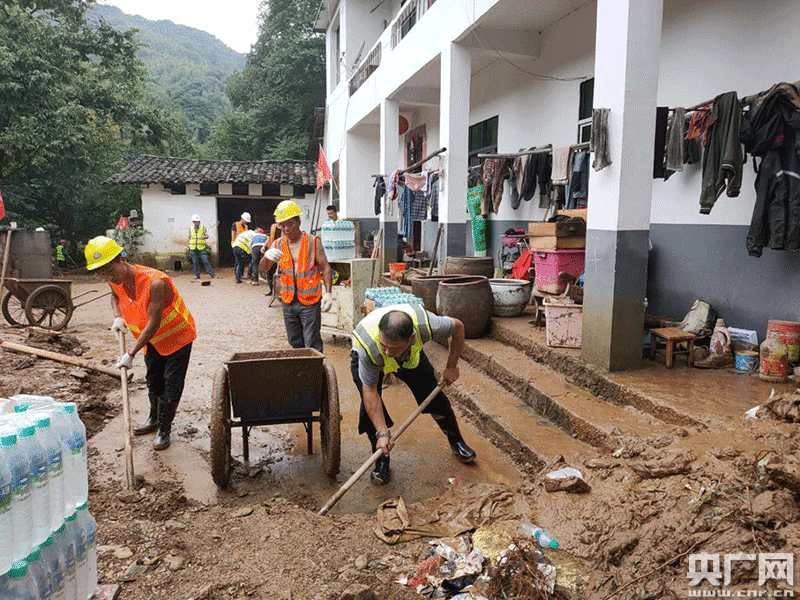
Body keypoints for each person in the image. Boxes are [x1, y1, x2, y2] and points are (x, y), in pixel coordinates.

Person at [84, 236, 196, 450]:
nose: (108, 277)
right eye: (102, 273)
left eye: (110, 270)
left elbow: (154, 323)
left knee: (171, 384)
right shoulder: (114, 280)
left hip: (176, 336)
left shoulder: (155, 282)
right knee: (153, 380)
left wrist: (130, 353)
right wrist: (117, 317)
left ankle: (164, 429)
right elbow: (115, 297)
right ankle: (154, 419)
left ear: (122, 259)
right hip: (151, 340)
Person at [351, 304, 476, 485]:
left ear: (412, 338)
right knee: (370, 412)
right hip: (370, 358)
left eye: (393, 348)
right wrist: (382, 432)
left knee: (434, 397)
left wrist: (451, 367)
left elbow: (458, 327)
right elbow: (370, 391)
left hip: (409, 357)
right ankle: (381, 459)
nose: (388, 353)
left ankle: (457, 442)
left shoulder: (427, 325)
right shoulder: (369, 346)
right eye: (385, 346)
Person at [260, 200, 333, 352]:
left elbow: (325, 268)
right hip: (288, 301)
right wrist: (266, 257)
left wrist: (328, 293)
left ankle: (314, 367)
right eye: (282, 225)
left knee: (312, 342)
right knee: (294, 341)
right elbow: (263, 270)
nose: (286, 229)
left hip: (310, 301)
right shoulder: (278, 244)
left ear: (298, 222)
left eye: (290, 224)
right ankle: (300, 367)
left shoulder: (313, 242)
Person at [188, 215, 216, 280]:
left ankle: (212, 274)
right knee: (195, 263)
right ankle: (197, 276)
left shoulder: (203, 228)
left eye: (198, 222)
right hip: (193, 248)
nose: (197, 223)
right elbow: (189, 238)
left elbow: (207, 235)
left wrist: (205, 237)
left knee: (205, 261)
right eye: (196, 222)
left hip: (201, 248)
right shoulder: (190, 228)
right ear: (193, 222)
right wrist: (188, 246)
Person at [265, 223, 282, 295]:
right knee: (269, 271)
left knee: (281, 272)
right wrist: (264, 246)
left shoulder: (285, 226)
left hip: (282, 252)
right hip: (272, 251)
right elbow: (270, 238)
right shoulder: (273, 226)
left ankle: (281, 291)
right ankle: (271, 289)